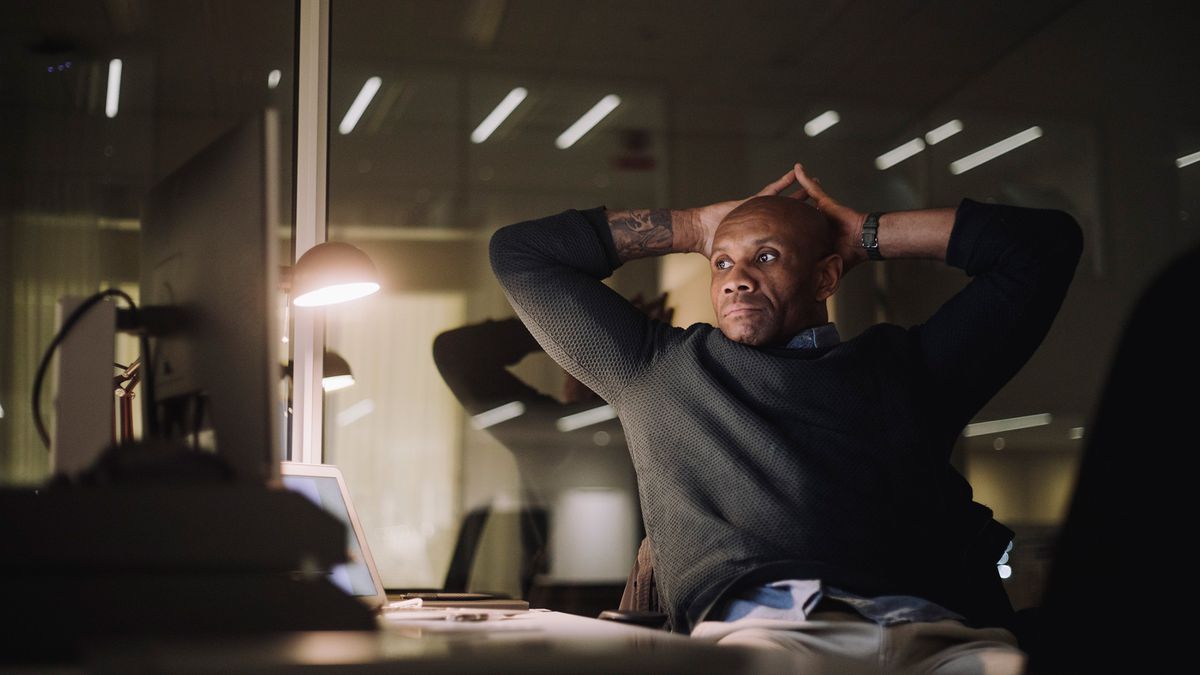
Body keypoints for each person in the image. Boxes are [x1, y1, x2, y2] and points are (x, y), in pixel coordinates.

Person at [489, 163, 1082, 672]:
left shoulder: (909, 366)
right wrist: (696, 227)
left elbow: (1043, 247)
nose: (736, 279)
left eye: (765, 257)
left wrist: (868, 234)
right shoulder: (660, 369)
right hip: (772, 634)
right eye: (721, 264)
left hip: (943, 635)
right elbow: (522, 253)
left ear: (827, 275)